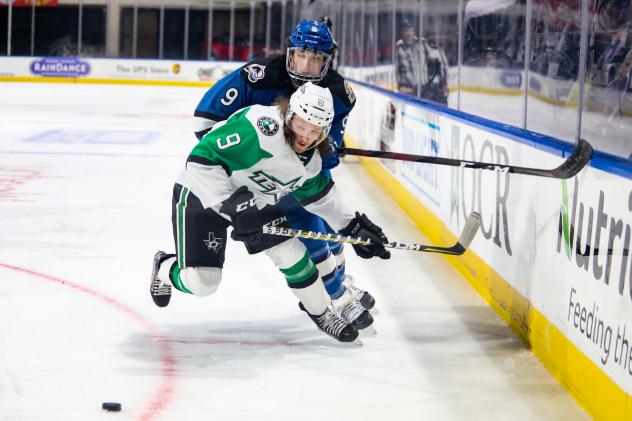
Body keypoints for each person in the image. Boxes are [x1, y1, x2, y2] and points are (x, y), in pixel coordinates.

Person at [150, 83, 390, 342]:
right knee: (203, 283)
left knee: (292, 253)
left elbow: (322, 198)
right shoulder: (261, 127)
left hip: (254, 203)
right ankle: (164, 266)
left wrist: (353, 227)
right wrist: (233, 206)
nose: (305, 137)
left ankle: (322, 313)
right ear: (290, 116)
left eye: (314, 130)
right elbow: (201, 158)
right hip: (201, 195)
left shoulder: (311, 162)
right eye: (301, 125)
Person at [192, 19, 377, 330]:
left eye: (316, 58)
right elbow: (204, 123)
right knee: (311, 232)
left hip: (303, 171)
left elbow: (329, 158)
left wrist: (326, 149)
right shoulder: (257, 77)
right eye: (302, 55)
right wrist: (242, 160)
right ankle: (339, 294)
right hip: (256, 174)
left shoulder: (339, 94)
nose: (307, 66)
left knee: (328, 228)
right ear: (290, 52)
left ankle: (341, 283)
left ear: (327, 61)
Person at [395, 19, 449, 105]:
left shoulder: (422, 44)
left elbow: (439, 57)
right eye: (406, 30)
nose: (408, 33)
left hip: (424, 89)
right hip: (408, 90)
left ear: (414, 31)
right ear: (402, 32)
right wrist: (400, 86)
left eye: (410, 30)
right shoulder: (400, 48)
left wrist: (443, 82)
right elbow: (398, 70)